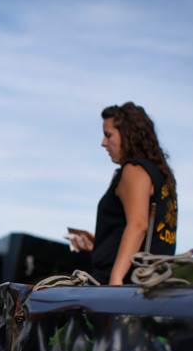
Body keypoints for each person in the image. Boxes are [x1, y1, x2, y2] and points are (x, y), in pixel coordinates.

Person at [69, 102, 177, 284]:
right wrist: (100, 246)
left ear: (128, 135)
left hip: (125, 286)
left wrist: (115, 281)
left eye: (108, 135)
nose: (103, 143)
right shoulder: (159, 174)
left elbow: (138, 225)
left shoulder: (133, 169)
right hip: (152, 285)